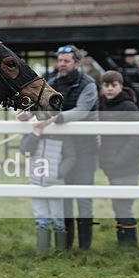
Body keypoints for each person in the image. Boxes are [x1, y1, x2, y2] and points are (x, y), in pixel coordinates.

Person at [21, 45, 100, 250]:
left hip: (85, 150)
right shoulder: (53, 82)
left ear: (76, 63)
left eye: (66, 61)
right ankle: (65, 247)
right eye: (60, 60)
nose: (61, 64)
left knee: (83, 200)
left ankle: (84, 248)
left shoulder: (88, 85)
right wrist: (28, 114)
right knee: (62, 199)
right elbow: (41, 103)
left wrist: (59, 117)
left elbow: (82, 110)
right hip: (59, 150)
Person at [99, 70, 139, 246]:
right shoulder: (103, 106)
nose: (110, 89)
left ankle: (129, 243)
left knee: (124, 204)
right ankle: (123, 241)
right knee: (118, 204)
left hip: (127, 165)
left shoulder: (129, 107)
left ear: (121, 86)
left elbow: (137, 137)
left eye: (113, 85)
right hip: (111, 164)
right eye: (106, 85)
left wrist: (119, 160)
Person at [20, 121, 76, 254]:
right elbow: (25, 150)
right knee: (41, 217)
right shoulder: (32, 133)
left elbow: (70, 157)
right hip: (35, 181)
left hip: (55, 183)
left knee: (58, 218)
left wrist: (58, 173)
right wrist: (35, 133)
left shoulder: (63, 136)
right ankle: (42, 252)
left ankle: (60, 252)